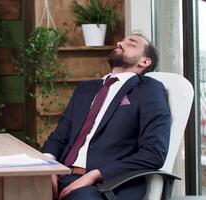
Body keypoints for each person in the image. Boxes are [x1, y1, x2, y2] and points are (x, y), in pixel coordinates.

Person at [42, 34, 171, 200]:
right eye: (122, 40)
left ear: (144, 62)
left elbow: (154, 153)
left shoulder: (149, 89)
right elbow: (59, 137)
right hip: (62, 175)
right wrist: (48, 166)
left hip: (105, 185)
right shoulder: (85, 89)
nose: (119, 43)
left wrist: (96, 175)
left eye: (131, 43)